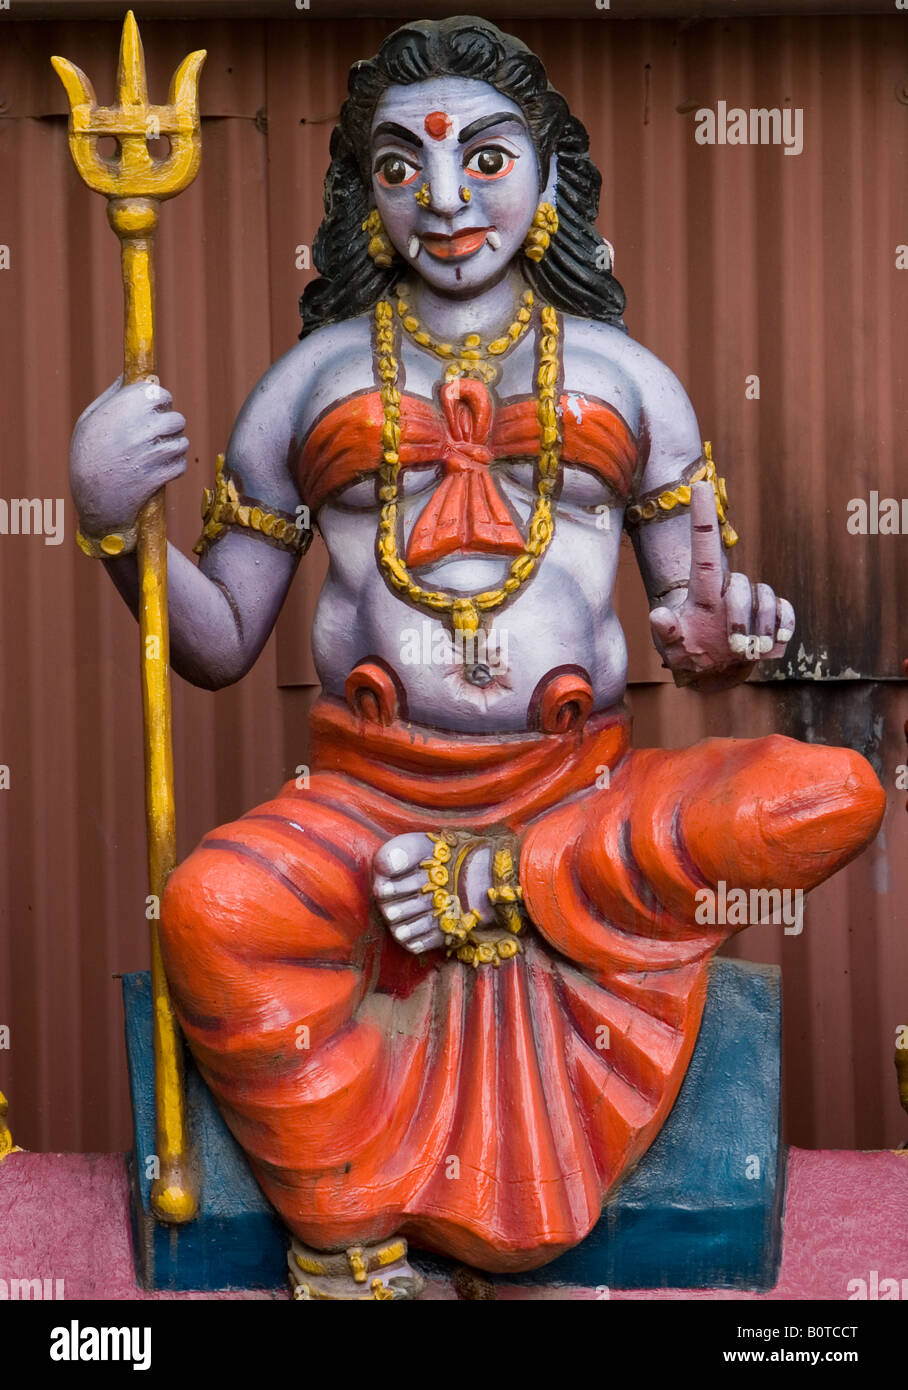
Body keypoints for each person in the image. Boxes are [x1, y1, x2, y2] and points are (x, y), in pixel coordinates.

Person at [69, 17, 885, 1298]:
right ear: (365, 201)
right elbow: (218, 643)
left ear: (551, 179)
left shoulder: (630, 382)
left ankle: (496, 878)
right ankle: (347, 1233)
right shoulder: (303, 388)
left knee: (830, 790)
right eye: (399, 170)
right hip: (363, 809)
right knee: (216, 911)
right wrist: (115, 525)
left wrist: (722, 644)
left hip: (575, 807)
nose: (445, 200)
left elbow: (693, 621)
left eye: (486, 160)